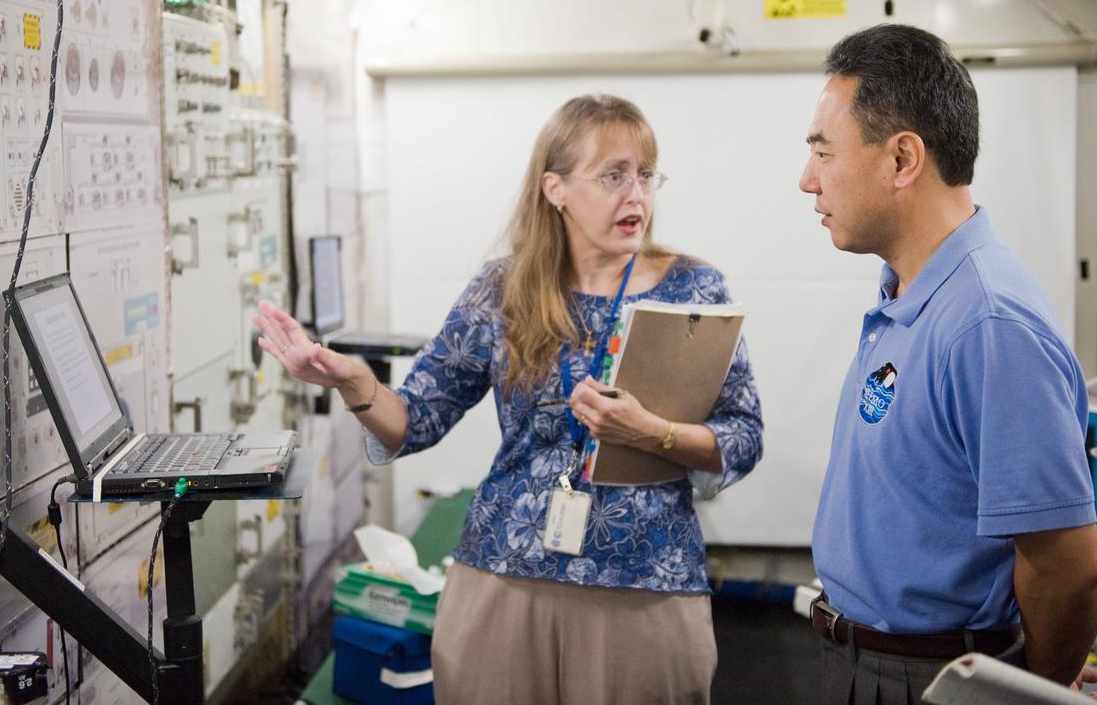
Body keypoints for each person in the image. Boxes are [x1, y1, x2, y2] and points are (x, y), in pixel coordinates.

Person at [255, 94, 764, 704]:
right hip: (503, 570)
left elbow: (742, 433)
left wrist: (651, 432)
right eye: (613, 176)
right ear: (556, 188)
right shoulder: (503, 289)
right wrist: (353, 382)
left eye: (646, 175)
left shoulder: (694, 288)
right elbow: (414, 420)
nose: (637, 196)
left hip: (646, 580)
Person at [798, 24, 1097, 703]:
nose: (807, 180)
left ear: (903, 158)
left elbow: (1068, 564)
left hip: (924, 677)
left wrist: (1032, 687)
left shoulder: (987, 322)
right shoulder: (909, 290)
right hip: (860, 660)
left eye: (824, 152)